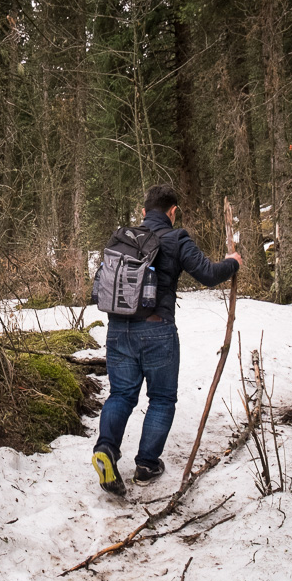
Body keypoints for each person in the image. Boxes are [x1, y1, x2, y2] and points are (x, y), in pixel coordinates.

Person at [92, 184, 242, 496]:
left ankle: (106, 448)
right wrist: (233, 262)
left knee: (120, 395)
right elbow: (208, 274)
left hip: (118, 329)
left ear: (144, 212)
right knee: (161, 398)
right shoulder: (176, 238)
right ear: (172, 212)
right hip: (157, 331)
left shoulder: (121, 238)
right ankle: (146, 465)